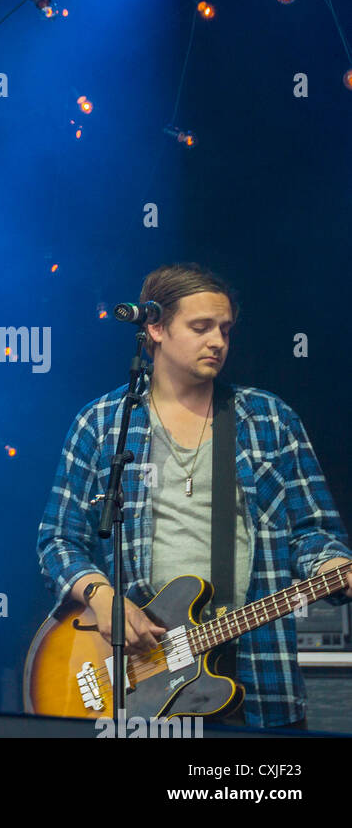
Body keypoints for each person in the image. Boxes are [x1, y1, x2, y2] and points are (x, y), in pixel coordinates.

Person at [38, 263, 352, 728]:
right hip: (138, 677)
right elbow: (58, 539)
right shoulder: (103, 423)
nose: (218, 342)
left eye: (225, 329)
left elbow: (314, 532)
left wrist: (330, 565)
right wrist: (102, 597)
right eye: (201, 327)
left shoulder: (268, 419)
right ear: (155, 327)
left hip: (257, 672)